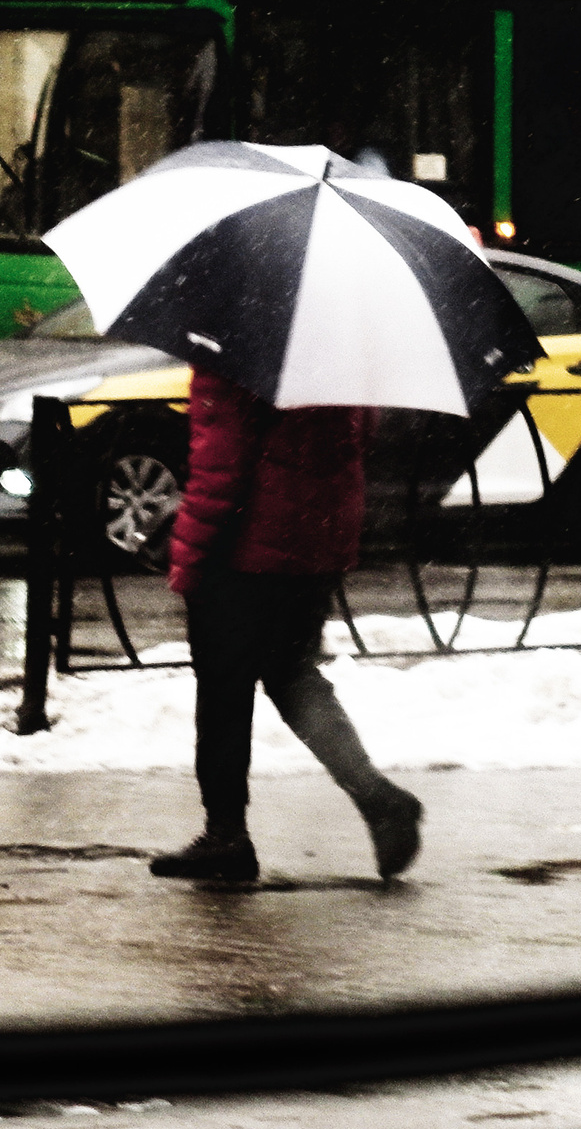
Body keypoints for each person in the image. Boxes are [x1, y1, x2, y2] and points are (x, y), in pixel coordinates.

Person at [151, 369, 423, 886]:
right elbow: (361, 433)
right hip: (317, 534)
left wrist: (186, 554)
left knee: (224, 690)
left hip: (244, 544)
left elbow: (221, 468)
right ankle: (377, 799)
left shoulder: (235, 359)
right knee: (291, 673)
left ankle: (226, 836)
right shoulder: (336, 353)